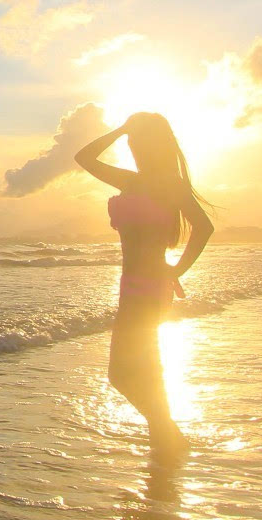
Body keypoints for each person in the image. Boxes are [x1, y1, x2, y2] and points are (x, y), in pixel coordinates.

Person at [75, 111, 214, 462]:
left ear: (153, 144)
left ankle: (168, 435)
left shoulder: (169, 185)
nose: (133, 148)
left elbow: (205, 227)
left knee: (122, 374)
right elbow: (83, 158)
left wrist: (175, 270)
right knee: (144, 369)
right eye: (131, 143)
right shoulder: (131, 181)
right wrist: (122, 129)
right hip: (133, 286)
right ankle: (165, 441)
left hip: (149, 288)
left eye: (138, 141)